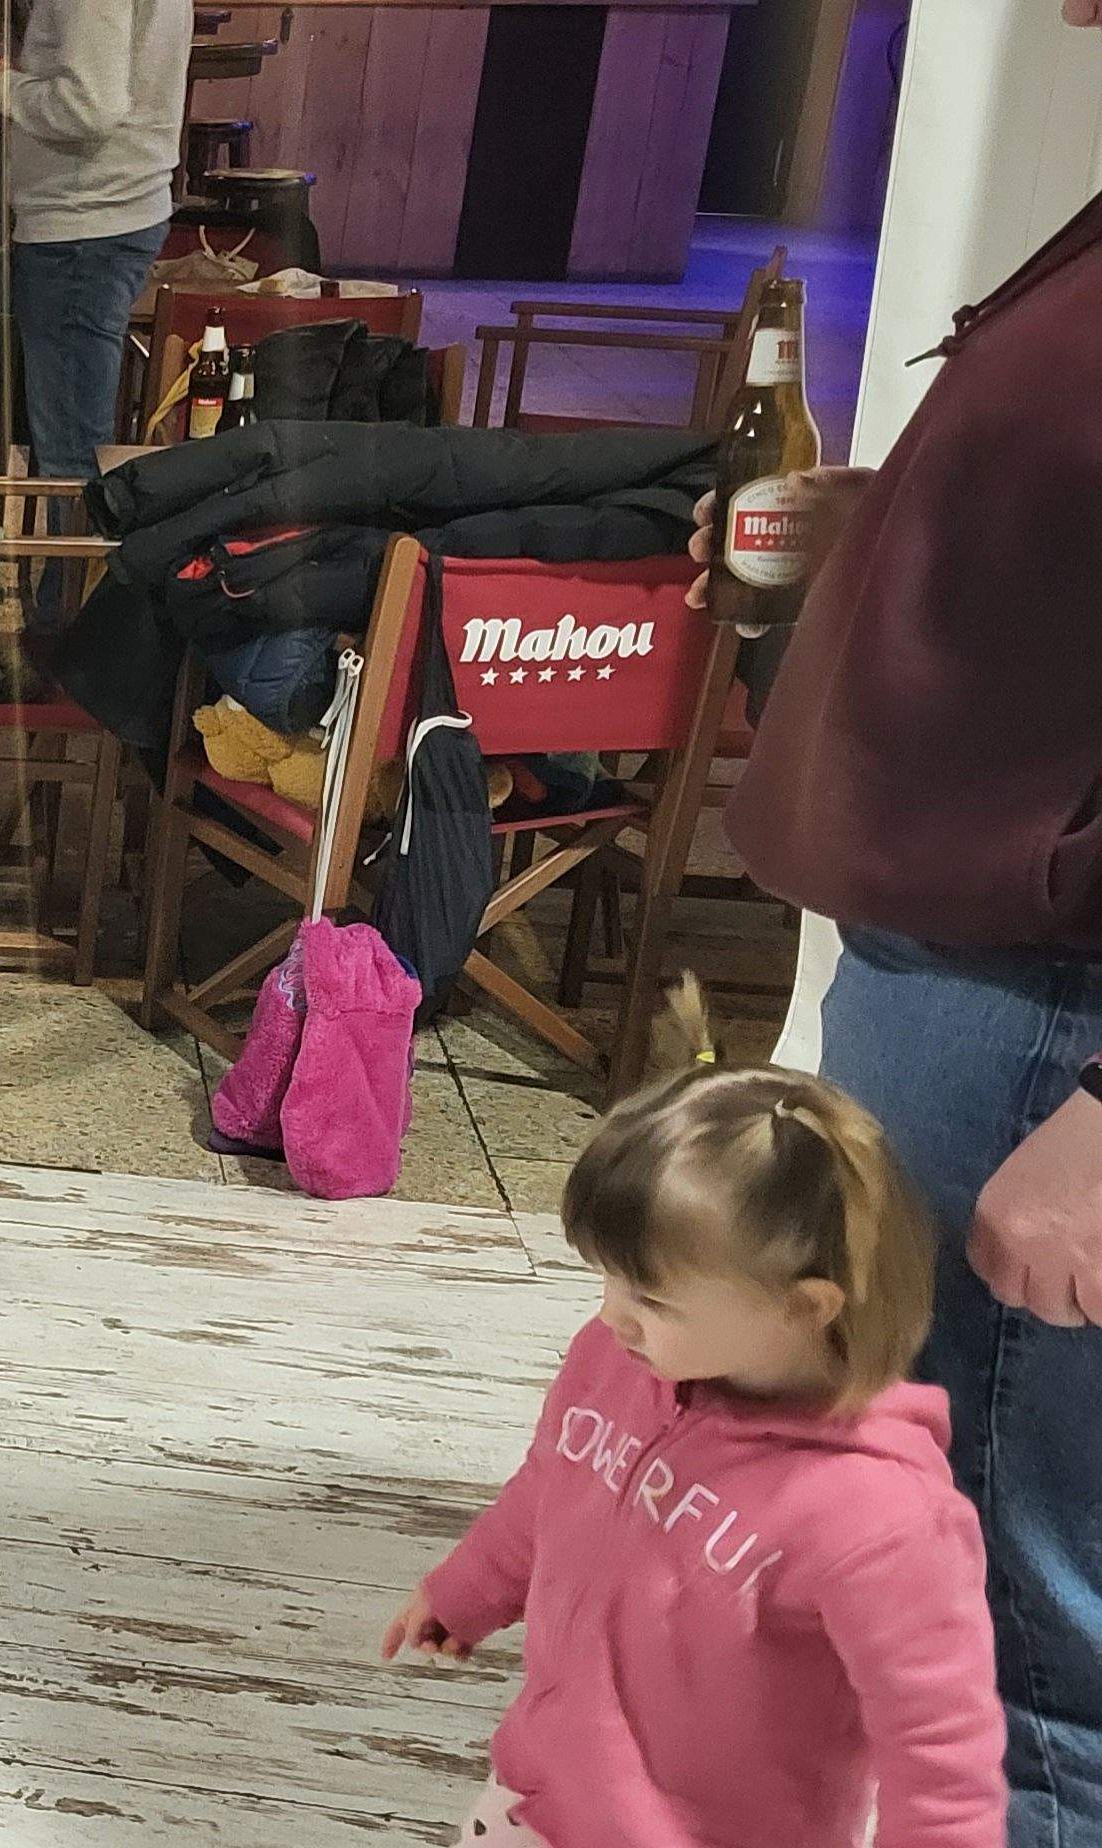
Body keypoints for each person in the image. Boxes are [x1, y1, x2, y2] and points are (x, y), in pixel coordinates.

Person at [722, 138, 1102, 1839]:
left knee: (1035, 1665)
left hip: (1047, 1024)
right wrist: (894, 536)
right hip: (982, 989)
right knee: (942, 1589)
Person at [383, 1038, 1003, 1847]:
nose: (611, 1315)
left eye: (653, 1298)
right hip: (538, 1796)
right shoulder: (615, 1365)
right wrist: (469, 1588)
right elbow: (551, 1484)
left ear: (806, 1307)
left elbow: (941, 1757)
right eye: (607, 1278)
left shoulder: (880, 1519)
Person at [0, 0, 185, 481]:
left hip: (83, 221)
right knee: (75, 454)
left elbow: (89, 106)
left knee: (71, 463)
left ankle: (76, 538)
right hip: (105, 214)